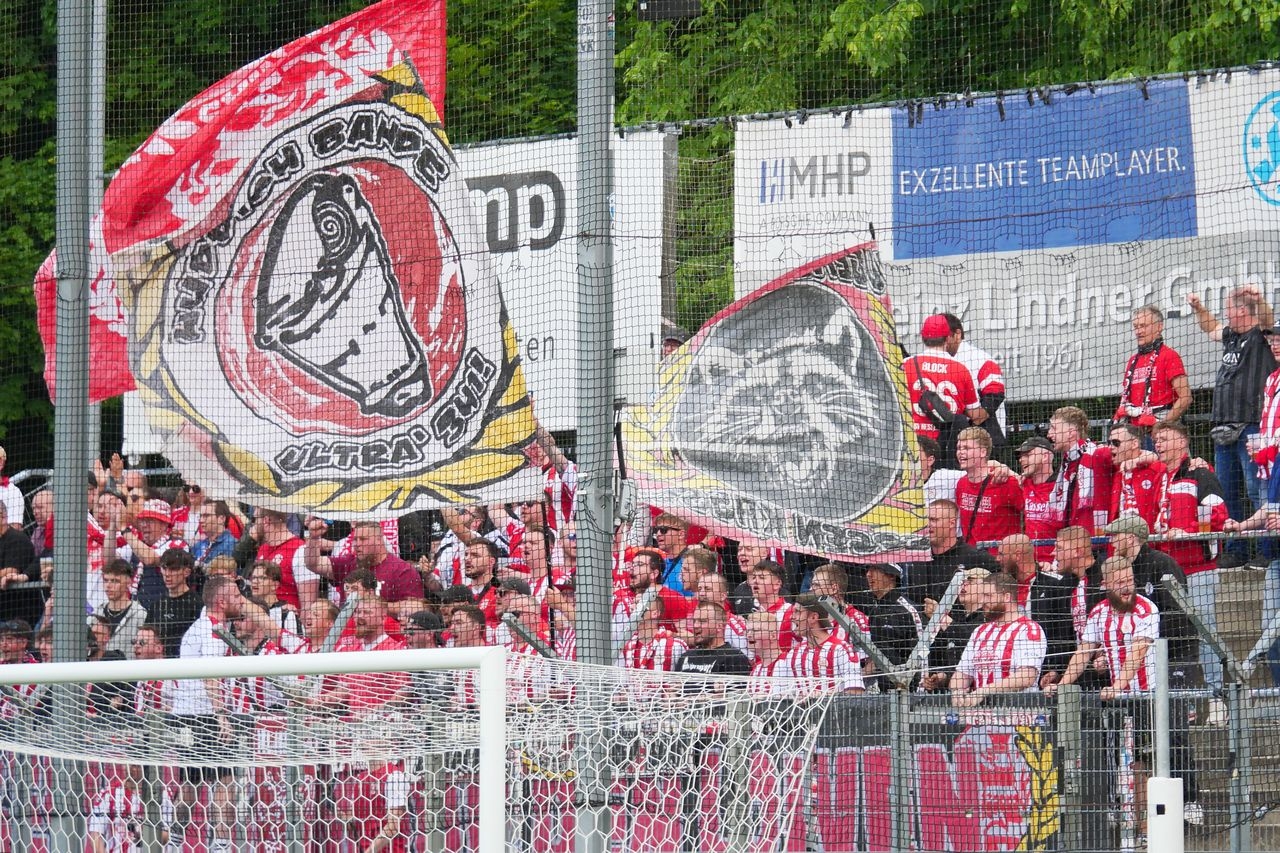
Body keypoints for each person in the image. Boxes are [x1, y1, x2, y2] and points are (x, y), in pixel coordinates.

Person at [1189, 285, 1276, 561]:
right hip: (1223, 426)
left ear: (1242, 310)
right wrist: (1198, 308)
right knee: (1227, 490)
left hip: (1251, 425)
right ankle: (1236, 549)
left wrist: (1259, 300)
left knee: (1256, 489)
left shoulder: (1261, 336)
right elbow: (1211, 328)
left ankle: (1267, 550)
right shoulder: (1230, 336)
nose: (1226, 314)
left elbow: (1267, 320)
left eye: (1229, 309)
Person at [1150, 420, 1228, 695]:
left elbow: (1218, 515)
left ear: (1183, 441)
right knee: (1173, 635)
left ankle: (1218, 694)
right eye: (1156, 440)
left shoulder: (1200, 473)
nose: (1158, 445)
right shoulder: (1159, 477)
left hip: (1198, 568)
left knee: (1205, 631)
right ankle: (1182, 699)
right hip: (1167, 569)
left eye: (1165, 439)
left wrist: (1187, 531)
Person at [950, 572, 1047, 708]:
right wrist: (957, 691)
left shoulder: (1029, 629)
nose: (983, 601)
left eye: (988, 596)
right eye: (982, 596)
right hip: (980, 713)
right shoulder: (979, 631)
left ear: (1006, 597)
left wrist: (985, 691)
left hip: (1018, 712)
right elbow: (962, 673)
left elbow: (1026, 677)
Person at [996, 534, 1076, 689]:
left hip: (1042, 675)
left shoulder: (1054, 585)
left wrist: (1056, 669)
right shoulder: (1001, 587)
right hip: (1005, 671)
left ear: (1017, 555)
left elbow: (1064, 632)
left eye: (1001, 554)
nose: (997, 559)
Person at [904, 315, 983, 464]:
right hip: (948, 448)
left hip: (913, 447)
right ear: (947, 338)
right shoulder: (961, 369)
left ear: (923, 337)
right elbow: (975, 414)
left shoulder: (906, 365)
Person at [903, 499, 999, 613]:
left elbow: (1005, 585)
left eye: (933, 520)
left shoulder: (975, 557)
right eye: (925, 520)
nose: (927, 525)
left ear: (952, 523)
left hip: (959, 623)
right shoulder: (916, 557)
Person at [304, 519, 425, 603]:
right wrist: (313, 537)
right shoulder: (347, 563)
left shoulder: (402, 570)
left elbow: (414, 607)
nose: (357, 544)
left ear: (379, 540)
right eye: (355, 539)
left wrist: (371, 604)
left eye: (363, 539)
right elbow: (314, 564)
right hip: (349, 631)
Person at [1115, 305, 1192, 431]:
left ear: (1159, 327)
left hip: (1162, 431)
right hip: (1134, 432)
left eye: (1143, 326)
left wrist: (1160, 426)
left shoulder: (1169, 356)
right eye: (1136, 327)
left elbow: (1185, 398)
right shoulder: (1133, 360)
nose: (1138, 331)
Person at [942, 312, 1007, 449]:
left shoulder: (980, 359)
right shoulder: (938, 360)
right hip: (955, 441)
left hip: (983, 442)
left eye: (944, 337)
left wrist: (969, 419)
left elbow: (995, 396)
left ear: (957, 334)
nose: (940, 342)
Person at [1047, 406, 1114, 534]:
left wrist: (1147, 455)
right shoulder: (1067, 462)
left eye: (1054, 428)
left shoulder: (1097, 455)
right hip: (1073, 535)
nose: (1049, 434)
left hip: (1095, 536)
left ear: (1071, 433)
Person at [922, 568, 990, 692]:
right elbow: (959, 663)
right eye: (962, 581)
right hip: (958, 695)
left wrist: (940, 615)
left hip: (985, 694)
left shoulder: (990, 618)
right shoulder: (959, 620)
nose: (963, 584)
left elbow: (969, 638)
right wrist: (942, 677)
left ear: (987, 588)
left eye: (970, 581)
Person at [955, 428, 1023, 550]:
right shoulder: (961, 484)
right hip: (971, 555)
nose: (961, 452)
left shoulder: (1006, 482)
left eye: (967, 448)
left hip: (1000, 556)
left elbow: (1031, 515)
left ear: (983, 452)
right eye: (959, 448)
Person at [848, 563, 921, 676]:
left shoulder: (908, 610)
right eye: (868, 570)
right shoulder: (875, 611)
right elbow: (879, 655)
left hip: (910, 682)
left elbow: (923, 651)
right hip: (883, 684)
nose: (868, 574)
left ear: (891, 575)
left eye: (875, 569)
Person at [785, 593, 864, 694]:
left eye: (797, 612)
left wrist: (824, 697)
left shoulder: (842, 650)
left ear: (813, 617)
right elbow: (786, 694)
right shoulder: (793, 654)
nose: (792, 617)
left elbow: (856, 692)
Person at [145, 549, 203, 658]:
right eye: (164, 568)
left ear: (187, 572)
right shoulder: (156, 606)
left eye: (173, 569)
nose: (167, 574)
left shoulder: (197, 605)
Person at [1016, 436, 1065, 563]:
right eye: (1021, 456)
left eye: (1028, 455)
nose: (1021, 460)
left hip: (1056, 562)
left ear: (1045, 456)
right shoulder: (1023, 483)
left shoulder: (1062, 486)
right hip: (1029, 562)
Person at [674, 603, 751, 676]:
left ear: (719, 626)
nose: (695, 625)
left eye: (702, 621)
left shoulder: (734, 658)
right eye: (694, 621)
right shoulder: (686, 656)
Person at [95, 558, 147, 659]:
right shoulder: (96, 615)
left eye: (115, 581)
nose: (108, 586)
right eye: (106, 580)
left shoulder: (140, 615)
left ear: (128, 582)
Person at [246, 560, 302, 638]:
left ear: (275, 585)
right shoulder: (247, 609)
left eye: (262, 578)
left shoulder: (286, 613)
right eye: (253, 577)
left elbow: (294, 643)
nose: (255, 581)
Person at [190, 501, 237, 568]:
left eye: (206, 516)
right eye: (200, 516)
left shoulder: (232, 545)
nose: (201, 520)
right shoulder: (198, 545)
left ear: (221, 519)